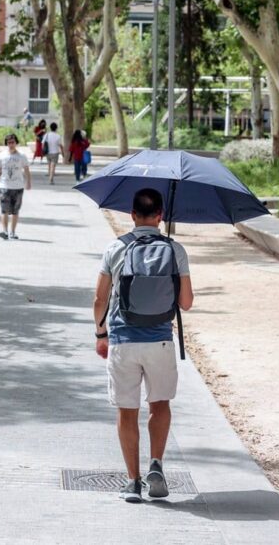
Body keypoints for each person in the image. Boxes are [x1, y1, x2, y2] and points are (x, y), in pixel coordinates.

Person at [93, 188, 194, 504]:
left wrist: (100, 335)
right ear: (161, 215)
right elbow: (186, 303)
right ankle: (156, 464)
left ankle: (133, 482)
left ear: (132, 215)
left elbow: (99, 299)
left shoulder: (116, 248)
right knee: (159, 405)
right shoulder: (175, 249)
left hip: (123, 341)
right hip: (160, 340)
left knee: (127, 411)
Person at [0, 133, 31, 240]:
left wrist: (28, 182)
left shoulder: (22, 156)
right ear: (6, 144)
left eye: (12, 142)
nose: (11, 144)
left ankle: (13, 232)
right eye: (9, 143)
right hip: (4, 186)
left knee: (15, 211)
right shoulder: (2, 155)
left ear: (16, 143)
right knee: (4, 210)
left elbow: (26, 169)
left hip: (18, 187)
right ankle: (4, 231)